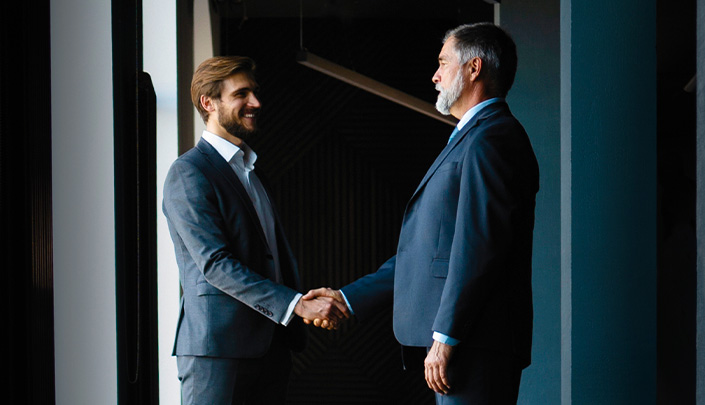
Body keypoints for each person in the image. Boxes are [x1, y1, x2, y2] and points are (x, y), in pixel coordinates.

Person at [304, 23, 539, 404]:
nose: (435, 75)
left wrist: (446, 337)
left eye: (443, 63)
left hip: (473, 346)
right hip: (467, 345)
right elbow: (428, 254)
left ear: (474, 68)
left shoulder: (492, 139)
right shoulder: (478, 137)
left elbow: (479, 250)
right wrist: (348, 298)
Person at [162, 56, 349, 404]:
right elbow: (215, 264)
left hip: (271, 347)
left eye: (255, 92)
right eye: (241, 94)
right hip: (218, 353)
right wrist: (295, 305)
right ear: (209, 103)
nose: (256, 103)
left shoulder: (253, 171)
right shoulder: (188, 173)